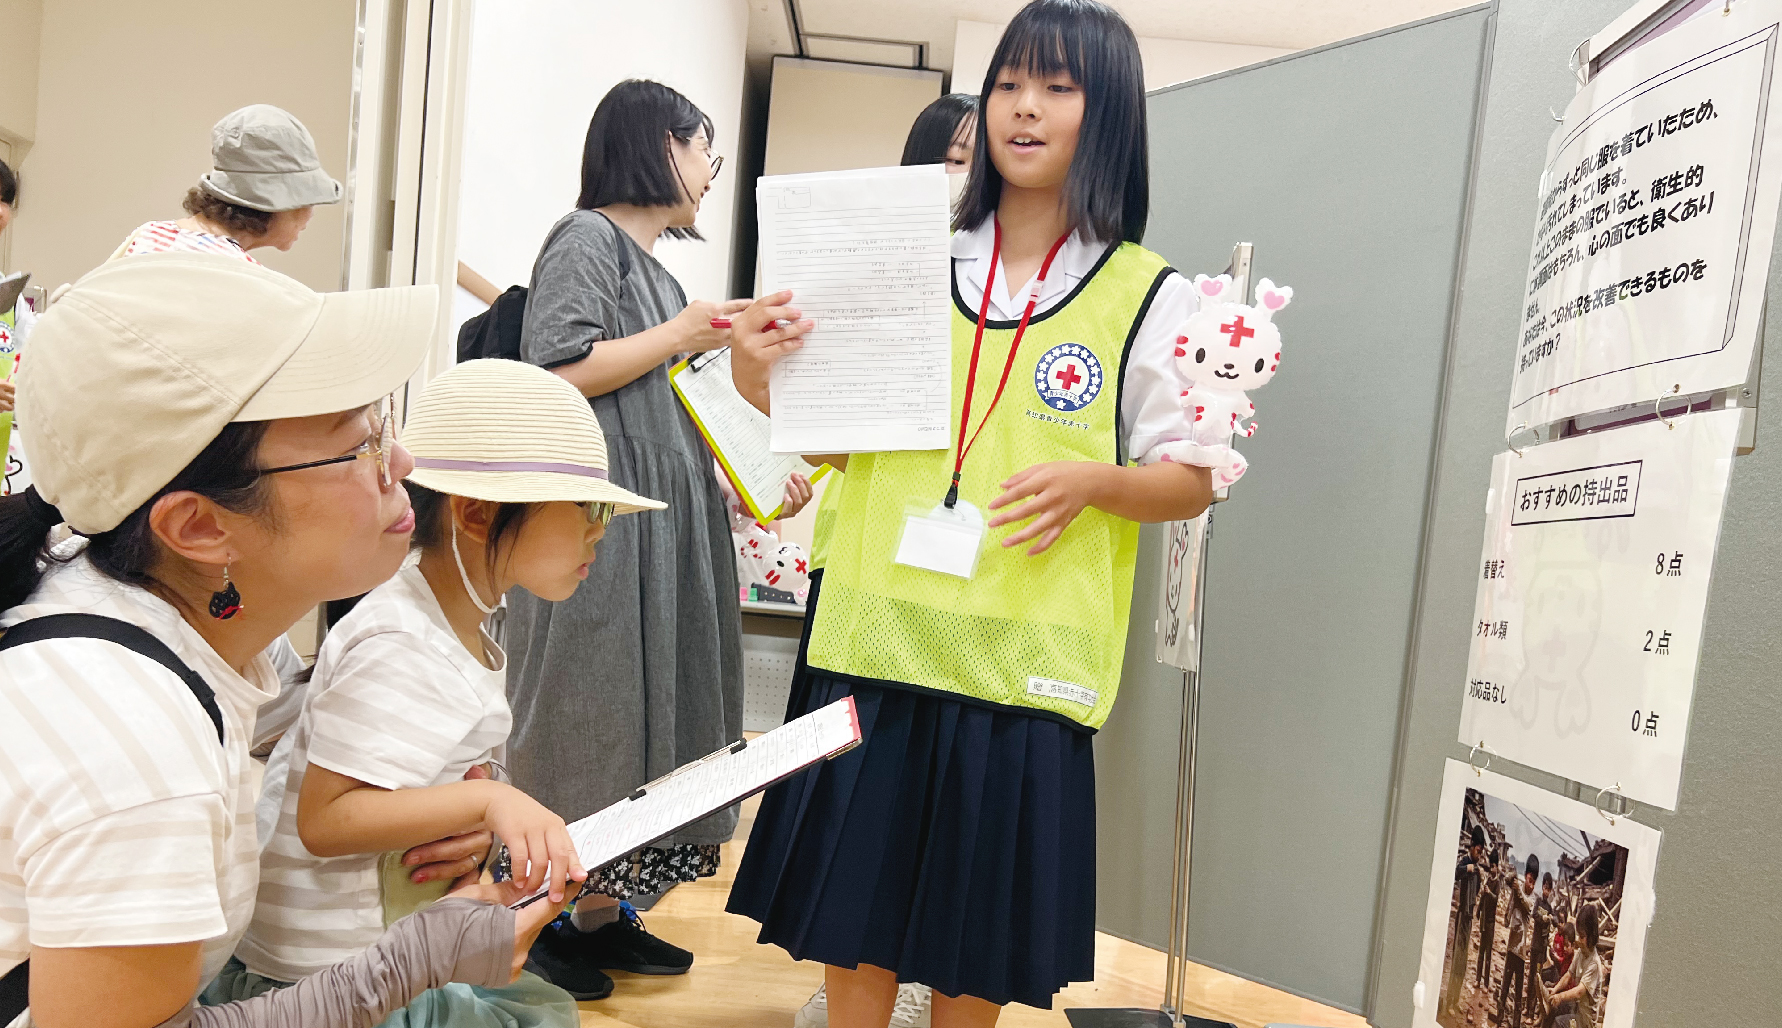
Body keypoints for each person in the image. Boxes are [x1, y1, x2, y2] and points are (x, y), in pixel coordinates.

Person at [726, 2, 1216, 1024]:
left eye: (1057, 87)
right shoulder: (912, 259)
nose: (1023, 108)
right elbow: (840, 445)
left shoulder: (1148, 295)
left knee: (971, 944)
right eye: (1008, 84)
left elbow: (1196, 475)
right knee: (851, 919)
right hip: (876, 636)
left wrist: (1096, 482)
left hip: (1020, 667)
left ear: (1108, 115)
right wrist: (756, 376)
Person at [0, 253, 571, 1028]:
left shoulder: (143, 602)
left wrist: (440, 801)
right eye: (358, 446)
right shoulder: (134, 740)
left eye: (383, 426)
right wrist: (417, 958)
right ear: (198, 526)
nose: (403, 464)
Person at [220, 358, 662, 1021]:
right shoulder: (403, 640)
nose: (601, 528)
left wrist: (479, 802)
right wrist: (489, 800)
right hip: (332, 967)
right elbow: (326, 820)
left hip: (383, 942)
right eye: (587, 507)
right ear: (478, 514)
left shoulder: (452, 624)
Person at [503, 78, 747, 999]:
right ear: (658, 145)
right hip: (597, 518)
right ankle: (538, 919)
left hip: (661, 520)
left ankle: (602, 914)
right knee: (584, 708)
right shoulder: (587, 238)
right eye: (703, 148)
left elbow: (665, 407)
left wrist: (735, 477)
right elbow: (558, 366)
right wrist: (681, 332)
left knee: (650, 717)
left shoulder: (663, 277)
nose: (709, 170)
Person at [112, 105, 341, 261]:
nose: (310, 214)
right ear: (278, 204)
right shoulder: (242, 278)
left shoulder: (148, 236)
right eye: (308, 199)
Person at [1444, 827, 1489, 1018]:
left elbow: (1477, 891)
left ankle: (1455, 1001)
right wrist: (1467, 869)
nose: (1479, 855)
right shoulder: (1465, 862)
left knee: (1463, 963)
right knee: (1456, 960)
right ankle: (1448, 1002)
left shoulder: (1477, 870)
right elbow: (1455, 873)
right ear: (1472, 847)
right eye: (1478, 851)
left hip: (1469, 918)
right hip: (1462, 915)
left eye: (1481, 852)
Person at [1541, 906, 1603, 1028]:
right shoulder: (1581, 953)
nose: (1579, 940)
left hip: (1585, 1021)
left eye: (1582, 937)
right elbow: (1569, 975)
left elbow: (1579, 992)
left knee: (1559, 1023)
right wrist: (1555, 990)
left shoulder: (1594, 964)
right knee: (1553, 1008)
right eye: (1579, 935)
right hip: (1576, 1009)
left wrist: (1560, 997)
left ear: (1591, 937)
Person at [1498, 853, 1538, 1027]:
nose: (1531, 885)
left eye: (1533, 882)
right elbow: (1507, 879)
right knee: (1504, 989)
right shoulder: (1518, 887)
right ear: (1526, 876)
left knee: (1518, 997)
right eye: (1529, 880)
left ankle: (1515, 1025)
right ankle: (1499, 1021)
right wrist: (1513, 877)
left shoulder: (1532, 898)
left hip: (1521, 954)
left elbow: (1526, 905)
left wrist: (1518, 889)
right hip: (1511, 949)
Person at [1476, 848, 1501, 994]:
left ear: (1497, 867)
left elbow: (1495, 899)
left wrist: (1489, 892)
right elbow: (1483, 898)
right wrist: (1478, 911)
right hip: (1484, 921)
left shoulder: (1497, 883)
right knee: (1481, 952)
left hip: (1491, 922)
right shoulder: (1488, 880)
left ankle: (1486, 983)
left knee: (1488, 954)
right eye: (1490, 866)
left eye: (1493, 866)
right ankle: (1477, 980)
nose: (1491, 869)